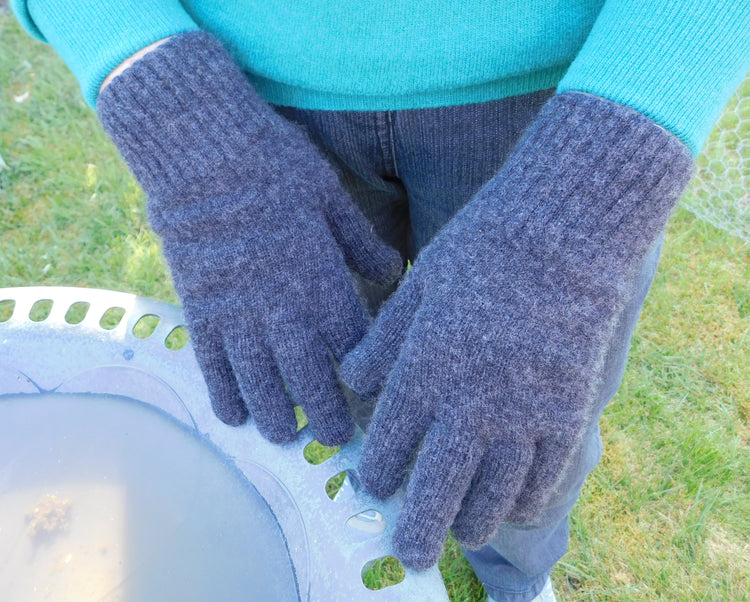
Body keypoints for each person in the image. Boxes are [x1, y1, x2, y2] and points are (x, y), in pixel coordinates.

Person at [10, 1, 750, 600]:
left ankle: (517, 578)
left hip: (571, 103)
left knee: (517, 423)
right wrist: (163, 93)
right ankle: (361, 528)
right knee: (322, 389)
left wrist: (590, 192)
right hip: (230, 96)